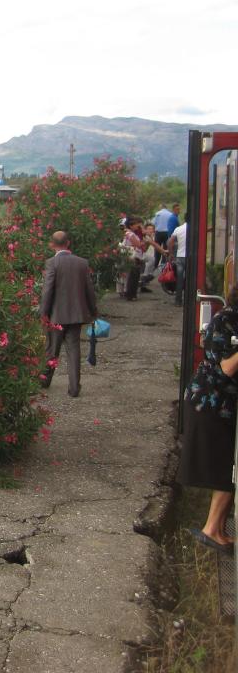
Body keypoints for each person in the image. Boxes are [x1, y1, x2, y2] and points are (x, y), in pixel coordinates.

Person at [179, 285, 238, 552]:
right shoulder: (225, 321)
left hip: (214, 401)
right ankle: (212, 530)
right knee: (225, 471)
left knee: (224, 469)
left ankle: (218, 529)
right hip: (210, 402)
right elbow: (227, 367)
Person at [40, 230, 99, 397]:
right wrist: (93, 311)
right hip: (76, 315)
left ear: (52, 244)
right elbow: (89, 290)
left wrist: (43, 313)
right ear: (68, 243)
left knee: (52, 350)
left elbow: (47, 290)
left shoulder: (52, 263)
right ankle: (74, 388)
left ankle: (45, 380)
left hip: (56, 315)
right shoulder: (82, 263)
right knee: (74, 350)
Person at [167, 213, 188, 308]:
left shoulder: (178, 229)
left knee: (179, 280)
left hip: (180, 256)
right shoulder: (195, 228)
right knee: (191, 279)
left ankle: (178, 301)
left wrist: (171, 254)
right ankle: (190, 300)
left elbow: (170, 241)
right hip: (191, 258)